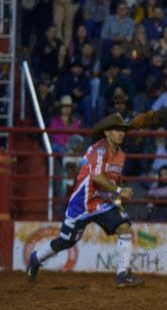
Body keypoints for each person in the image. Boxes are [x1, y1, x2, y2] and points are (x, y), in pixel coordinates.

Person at [27, 113, 144, 287]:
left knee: (124, 228)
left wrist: (118, 194)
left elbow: (112, 178)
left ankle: (123, 275)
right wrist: (120, 191)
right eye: (117, 130)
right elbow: (97, 177)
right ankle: (36, 258)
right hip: (82, 203)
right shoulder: (98, 150)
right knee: (66, 241)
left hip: (102, 202)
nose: (122, 133)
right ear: (107, 132)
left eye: (123, 130)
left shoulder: (121, 155)